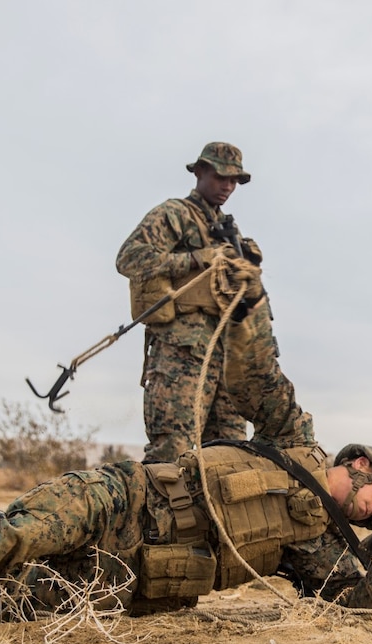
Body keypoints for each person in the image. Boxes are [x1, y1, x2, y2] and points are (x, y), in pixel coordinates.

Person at [0, 289, 372, 644]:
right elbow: (258, 375)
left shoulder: (316, 542)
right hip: (124, 498)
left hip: (137, 576)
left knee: (2, 602)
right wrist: (251, 304)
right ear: (359, 464)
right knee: (14, 538)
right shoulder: (296, 443)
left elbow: (354, 602)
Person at [116, 141, 271, 462]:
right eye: (220, 177)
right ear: (200, 172)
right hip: (181, 352)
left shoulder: (228, 229)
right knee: (172, 455)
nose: (228, 186)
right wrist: (197, 259)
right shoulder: (175, 214)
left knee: (230, 457)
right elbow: (129, 259)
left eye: (234, 181)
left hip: (226, 355)